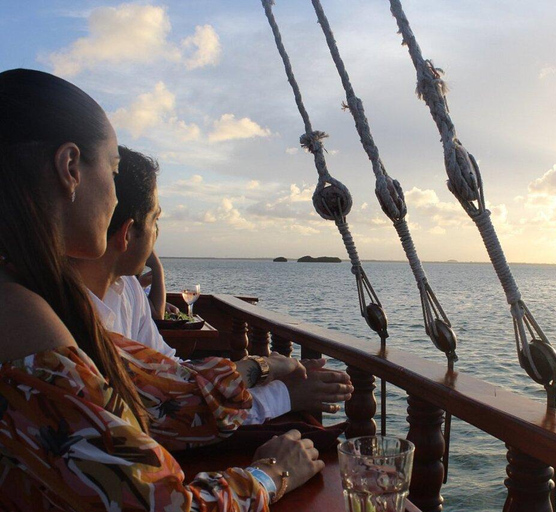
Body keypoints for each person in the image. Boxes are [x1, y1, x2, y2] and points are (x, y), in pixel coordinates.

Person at [0, 68, 322, 511]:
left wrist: (264, 369)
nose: (115, 199)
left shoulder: (33, 294)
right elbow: (164, 505)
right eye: (112, 171)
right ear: (70, 168)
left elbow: (154, 397)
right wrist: (270, 473)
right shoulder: (18, 315)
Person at [72, 145, 353, 431]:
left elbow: (172, 375)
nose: (158, 233)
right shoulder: (65, 318)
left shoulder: (127, 287)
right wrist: (285, 394)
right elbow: (168, 411)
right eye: (155, 219)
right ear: (128, 233)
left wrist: (267, 375)